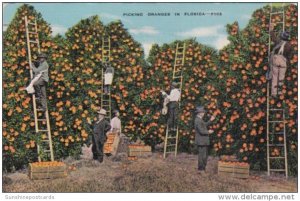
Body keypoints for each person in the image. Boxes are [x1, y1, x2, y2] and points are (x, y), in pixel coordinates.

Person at [268, 24, 292, 96]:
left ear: (281, 37)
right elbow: (289, 56)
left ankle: (274, 93)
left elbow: (273, 37)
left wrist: (271, 29)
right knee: (281, 77)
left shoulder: (278, 41)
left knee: (275, 77)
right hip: (283, 61)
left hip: (276, 59)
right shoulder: (289, 45)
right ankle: (279, 92)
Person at [194, 106, 215, 174]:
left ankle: (202, 169)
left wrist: (210, 120)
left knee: (204, 155)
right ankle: (200, 169)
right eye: (202, 112)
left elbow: (204, 125)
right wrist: (209, 132)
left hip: (203, 141)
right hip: (201, 141)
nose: (203, 113)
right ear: (199, 113)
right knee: (202, 156)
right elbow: (201, 131)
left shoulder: (200, 119)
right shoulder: (197, 120)